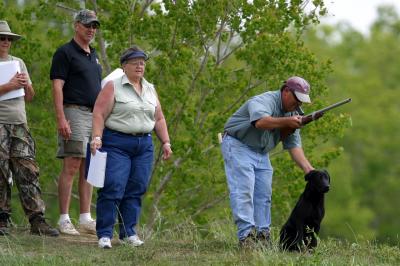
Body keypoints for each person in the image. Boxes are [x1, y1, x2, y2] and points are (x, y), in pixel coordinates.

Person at [221, 76, 321, 247]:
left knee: (264, 195)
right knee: (243, 191)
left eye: (302, 102)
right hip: (238, 145)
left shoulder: (293, 114)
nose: (299, 105)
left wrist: (310, 172)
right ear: (286, 91)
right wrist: (287, 122)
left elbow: (294, 146)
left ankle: (262, 236)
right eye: (297, 99)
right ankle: (246, 237)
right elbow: (260, 122)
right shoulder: (264, 100)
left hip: (261, 152)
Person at [90, 45, 172, 249]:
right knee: (113, 186)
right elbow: (99, 113)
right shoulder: (113, 86)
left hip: (144, 144)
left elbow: (159, 118)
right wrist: (97, 137)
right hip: (117, 142)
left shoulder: (150, 88)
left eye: (142, 62)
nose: (139, 66)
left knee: (137, 188)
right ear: (124, 66)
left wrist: (166, 142)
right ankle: (105, 234)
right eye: (135, 62)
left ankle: (128, 233)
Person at [0, 20, 59, 237]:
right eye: (2, 38)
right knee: (1, 171)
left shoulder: (19, 63)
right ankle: (2, 221)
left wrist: (25, 85)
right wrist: (9, 86)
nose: (6, 42)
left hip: (19, 123)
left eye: (8, 39)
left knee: (28, 170)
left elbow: (31, 97)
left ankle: (37, 220)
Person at [49, 9, 102, 235]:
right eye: (88, 25)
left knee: (89, 167)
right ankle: (63, 219)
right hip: (74, 112)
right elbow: (57, 86)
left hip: (94, 115)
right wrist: (61, 117)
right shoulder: (65, 52)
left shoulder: (94, 54)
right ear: (77, 25)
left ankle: (85, 218)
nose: (91, 30)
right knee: (72, 164)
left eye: (94, 26)